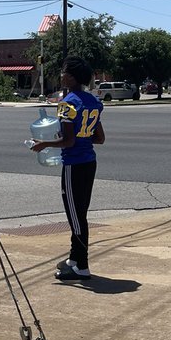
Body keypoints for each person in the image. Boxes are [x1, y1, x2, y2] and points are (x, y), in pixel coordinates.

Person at [30, 56, 104, 280]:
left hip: (74, 164)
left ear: (71, 76)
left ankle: (81, 265)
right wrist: (80, 136)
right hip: (89, 162)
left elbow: (68, 142)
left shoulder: (68, 103)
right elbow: (99, 138)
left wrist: (44, 143)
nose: (61, 75)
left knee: (76, 215)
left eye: (63, 72)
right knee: (79, 212)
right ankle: (74, 258)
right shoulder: (92, 101)